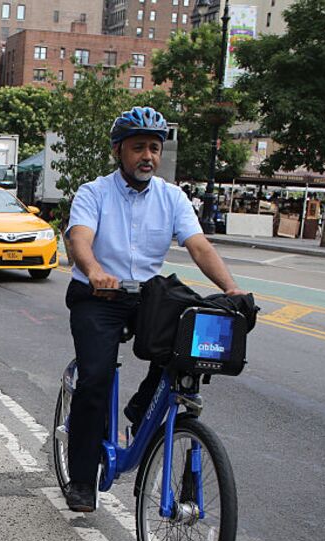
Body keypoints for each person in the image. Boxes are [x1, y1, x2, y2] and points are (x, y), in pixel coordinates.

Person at [61, 106, 243, 513]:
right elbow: (80, 239)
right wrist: (95, 271)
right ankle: (82, 479)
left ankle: (141, 409)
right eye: (139, 147)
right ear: (119, 151)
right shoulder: (94, 192)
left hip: (147, 297)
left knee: (184, 348)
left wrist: (231, 288)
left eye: (154, 148)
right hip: (98, 296)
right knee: (95, 378)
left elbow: (199, 246)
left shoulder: (172, 197)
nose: (148, 156)